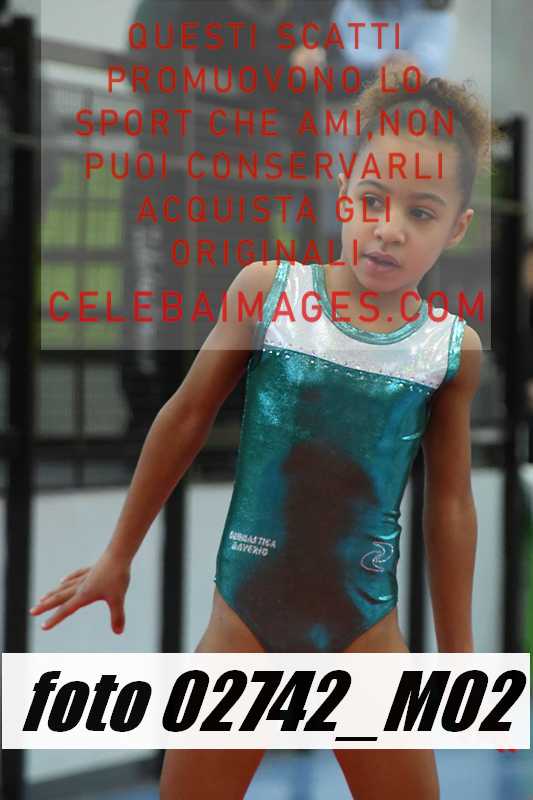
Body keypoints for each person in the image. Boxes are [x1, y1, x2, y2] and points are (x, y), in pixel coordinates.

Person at [29, 66, 503, 798]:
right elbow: (184, 416)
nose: (387, 228)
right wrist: (117, 555)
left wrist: (461, 658)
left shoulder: (448, 349)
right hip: (243, 623)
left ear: (458, 226)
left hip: (364, 630)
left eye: (420, 212)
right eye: (372, 200)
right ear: (343, 192)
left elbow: (450, 502)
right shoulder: (269, 293)